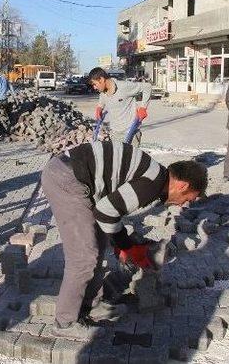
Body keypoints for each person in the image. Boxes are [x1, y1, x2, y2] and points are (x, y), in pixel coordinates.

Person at [41, 141, 208, 341]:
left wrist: (122, 244)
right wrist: (127, 247)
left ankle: (89, 305)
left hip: (81, 180)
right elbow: (105, 213)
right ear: (183, 185)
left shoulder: (156, 178)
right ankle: (64, 323)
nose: (185, 204)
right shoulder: (152, 183)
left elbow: (109, 208)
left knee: (99, 246)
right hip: (66, 178)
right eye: (189, 198)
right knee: (84, 256)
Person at [89, 67, 152, 146]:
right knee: (117, 158)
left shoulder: (124, 87)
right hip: (115, 134)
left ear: (101, 79)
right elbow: (102, 98)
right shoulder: (103, 92)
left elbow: (147, 87)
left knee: (130, 158)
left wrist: (143, 107)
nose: (94, 87)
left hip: (130, 132)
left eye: (95, 84)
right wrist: (100, 107)